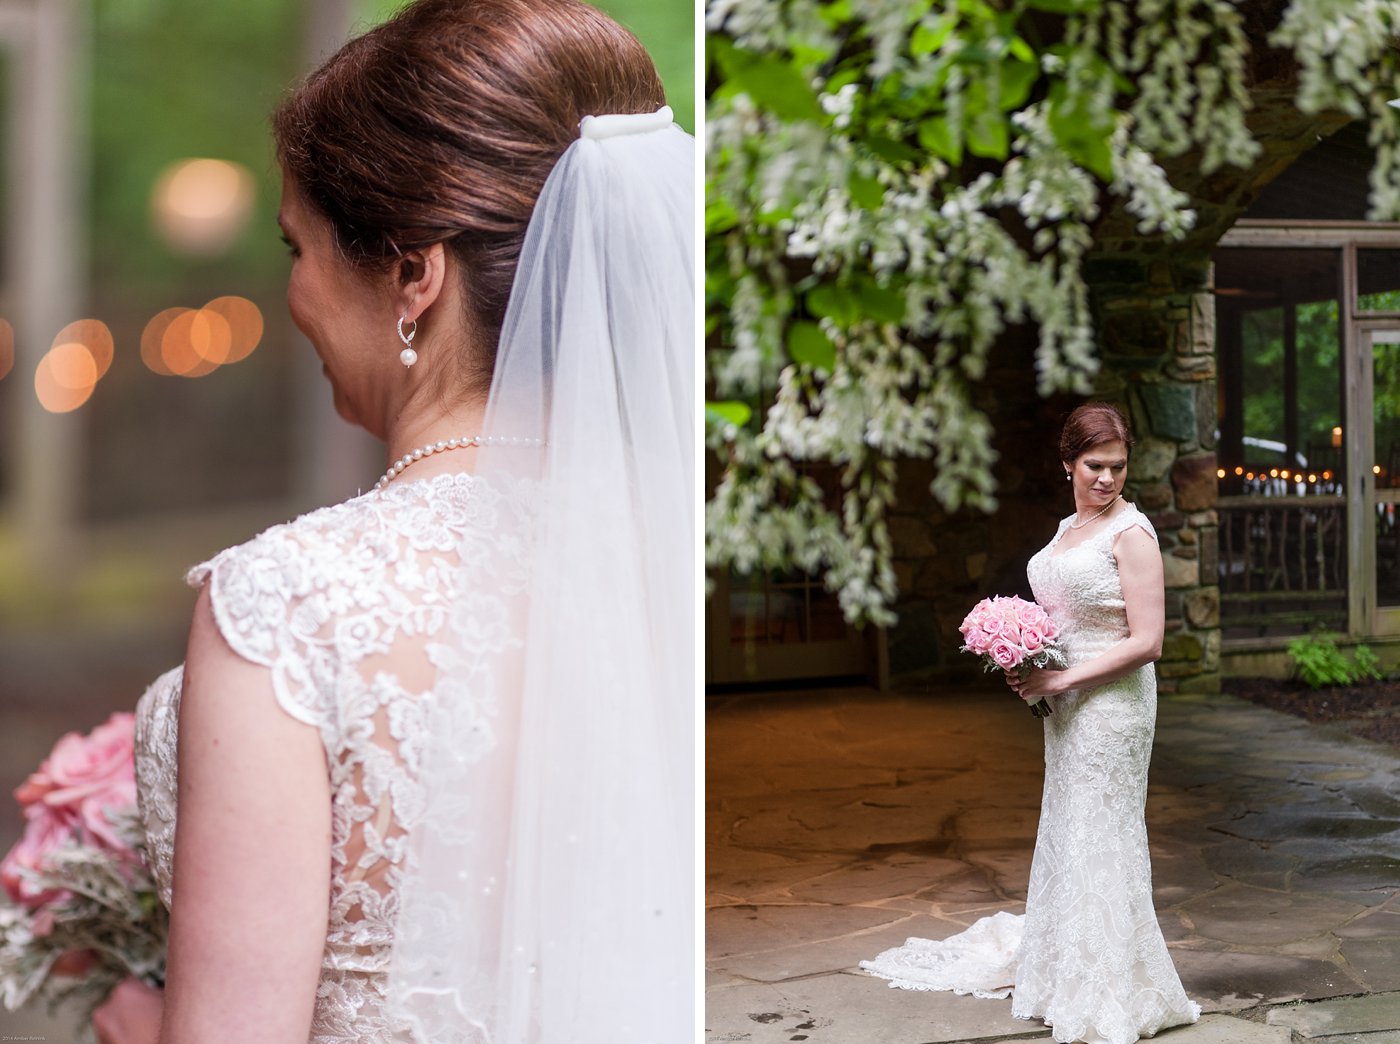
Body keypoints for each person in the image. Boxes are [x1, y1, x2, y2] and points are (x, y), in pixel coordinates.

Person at [90, 1, 694, 1041]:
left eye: (298, 247)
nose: (296, 298)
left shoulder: (291, 603)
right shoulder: (675, 560)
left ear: (414, 272)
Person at [861, 403, 1199, 1044]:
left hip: (1115, 704)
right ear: (1067, 463)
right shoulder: (1071, 527)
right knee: (1071, 830)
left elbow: (1149, 639)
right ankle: (1065, 975)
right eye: (1094, 465)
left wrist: (1061, 678)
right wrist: (1026, 660)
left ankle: (1113, 988)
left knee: (1105, 831)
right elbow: (1065, 618)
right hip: (1067, 705)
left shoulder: (1132, 533)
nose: (1106, 478)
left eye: (1118, 467)